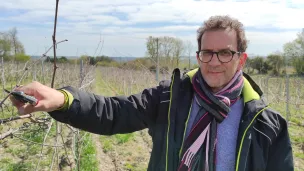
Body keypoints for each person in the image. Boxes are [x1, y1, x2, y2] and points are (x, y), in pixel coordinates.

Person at [11, 15, 294, 171]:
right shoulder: (169, 99)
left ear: (240, 59)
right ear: (198, 56)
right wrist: (63, 100)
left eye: (224, 53)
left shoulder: (268, 125)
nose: (214, 61)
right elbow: (113, 113)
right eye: (207, 53)